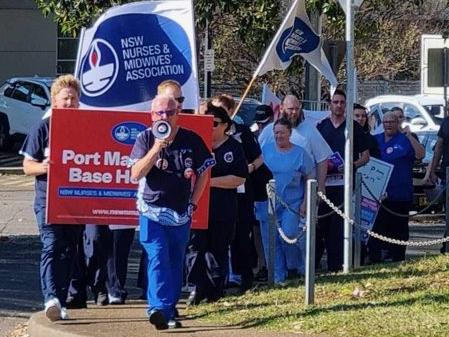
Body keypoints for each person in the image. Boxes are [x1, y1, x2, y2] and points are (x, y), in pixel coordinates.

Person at [129, 95, 214, 330]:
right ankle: (157, 308)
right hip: (151, 210)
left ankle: (168, 310)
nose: (164, 117)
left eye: (169, 113)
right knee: (157, 255)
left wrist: (193, 202)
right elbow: (135, 173)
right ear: (152, 115)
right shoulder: (145, 138)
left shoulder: (191, 139)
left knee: (175, 261)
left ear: (178, 114)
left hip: (180, 213)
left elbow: (205, 172)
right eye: (159, 113)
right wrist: (157, 147)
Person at [20, 74, 84, 321]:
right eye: (65, 98)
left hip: (77, 201)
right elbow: (27, 166)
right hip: (48, 201)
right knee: (52, 245)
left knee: (69, 250)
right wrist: (47, 168)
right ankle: (50, 298)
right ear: (55, 101)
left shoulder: (85, 127)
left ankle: (61, 298)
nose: (70, 103)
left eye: (74, 98)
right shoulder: (43, 127)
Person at [186, 105, 247, 304]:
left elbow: (239, 178)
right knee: (195, 248)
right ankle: (196, 288)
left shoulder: (233, 147)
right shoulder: (195, 144)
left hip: (222, 208)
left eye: (214, 124)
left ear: (225, 126)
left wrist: (209, 182)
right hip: (196, 208)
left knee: (217, 250)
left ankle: (215, 290)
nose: (210, 127)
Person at [210, 94, 262, 292]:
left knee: (241, 235)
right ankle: (217, 281)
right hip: (216, 194)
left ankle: (245, 276)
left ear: (230, 112)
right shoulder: (206, 133)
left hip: (240, 191)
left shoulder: (242, 132)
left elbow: (258, 158)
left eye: (221, 110)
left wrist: (247, 169)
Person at [316, 89, 370, 272]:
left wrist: (350, 165)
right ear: (330, 104)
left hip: (344, 185)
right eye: (335, 102)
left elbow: (365, 157)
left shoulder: (353, 128)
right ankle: (314, 265)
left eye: (342, 102)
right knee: (321, 224)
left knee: (339, 226)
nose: (338, 105)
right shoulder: (321, 127)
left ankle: (337, 265)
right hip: (324, 184)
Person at [261, 118, 314, 283]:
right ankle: (278, 275)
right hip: (268, 202)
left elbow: (310, 176)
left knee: (289, 233)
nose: (279, 136)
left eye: (282, 132)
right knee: (271, 240)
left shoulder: (300, 153)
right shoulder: (265, 150)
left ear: (289, 133)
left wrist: (306, 201)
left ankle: (294, 266)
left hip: (292, 203)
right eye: (276, 132)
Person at [368, 111, 423, 262]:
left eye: (392, 122)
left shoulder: (405, 139)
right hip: (379, 195)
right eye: (385, 122)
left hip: (400, 195)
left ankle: (398, 259)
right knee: (377, 231)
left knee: (399, 231)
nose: (388, 125)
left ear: (397, 123)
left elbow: (420, 154)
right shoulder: (375, 139)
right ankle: (375, 260)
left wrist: (410, 136)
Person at [259, 94, 332, 195]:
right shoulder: (268, 131)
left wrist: (320, 186)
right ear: (281, 108)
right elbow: (257, 156)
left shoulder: (309, 130)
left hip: (298, 194)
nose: (294, 112)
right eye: (290, 109)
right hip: (270, 193)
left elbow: (322, 159)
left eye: (297, 109)